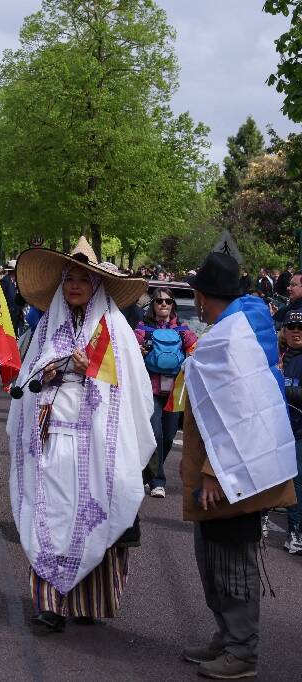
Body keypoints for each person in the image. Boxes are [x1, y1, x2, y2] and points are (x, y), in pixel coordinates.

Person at [8, 237, 154, 633]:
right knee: (51, 514)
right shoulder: (45, 329)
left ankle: (90, 601)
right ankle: (51, 604)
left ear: (96, 285)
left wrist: (91, 367)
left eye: (82, 279)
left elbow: (129, 389)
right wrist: (47, 373)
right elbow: (27, 380)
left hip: (97, 443)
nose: (73, 285)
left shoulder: (113, 330)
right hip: (54, 437)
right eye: (68, 278)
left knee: (94, 512)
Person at [179, 251, 296, 678]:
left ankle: (242, 649)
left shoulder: (231, 337)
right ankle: (227, 636)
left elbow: (235, 411)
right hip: (228, 472)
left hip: (232, 476)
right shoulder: (240, 329)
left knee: (231, 563)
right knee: (212, 558)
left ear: (204, 296)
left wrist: (213, 470)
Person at [135, 288, 197, 498]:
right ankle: (157, 481)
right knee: (155, 434)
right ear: (152, 304)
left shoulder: (183, 329)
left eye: (168, 301)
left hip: (174, 391)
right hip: (150, 389)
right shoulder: (142, 329)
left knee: (169, 436)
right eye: (159, 301)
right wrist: (138, 351)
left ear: (173, 305)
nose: (163, 304)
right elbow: (129, 349)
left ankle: (147, 473)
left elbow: (196, 348)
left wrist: (191, 355)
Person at [280, 309, 302, 555]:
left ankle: (294, 531)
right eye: (292, 327)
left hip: (298, 430)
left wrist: (281, 384)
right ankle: (262, 518)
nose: (297, 332)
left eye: (301, 328)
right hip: (275, 429)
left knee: (296, 482)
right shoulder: (277, 354)